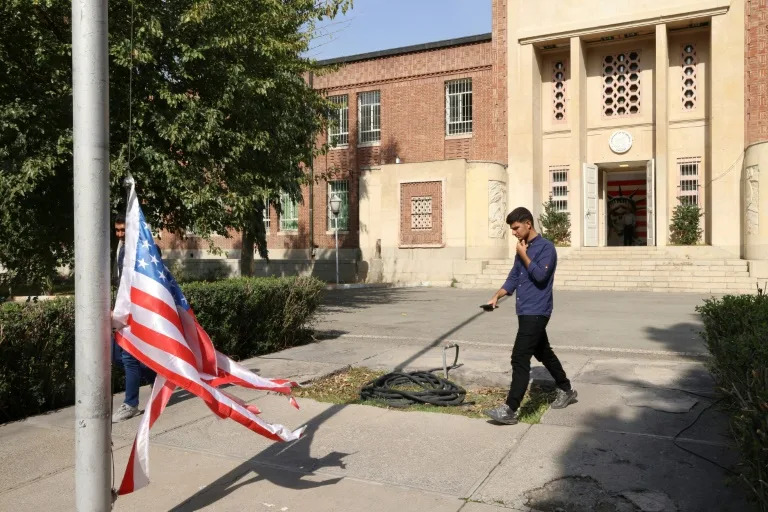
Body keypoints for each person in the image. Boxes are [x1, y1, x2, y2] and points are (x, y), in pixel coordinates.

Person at [483, 207, 577, 425]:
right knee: (543, 352)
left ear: (528, 223)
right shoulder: (522, 248)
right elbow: (514, 277)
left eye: (516, 228)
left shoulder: (547, 248)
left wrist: (524, 254)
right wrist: (496, 296)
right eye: (512, 229)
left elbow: (541, 276)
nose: (514, 232)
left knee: (519, 357)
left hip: (538, 310)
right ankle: (567, 389)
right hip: (524, 309)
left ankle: (510, 409)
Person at [111, 214, 156, 423]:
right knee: (116, 356)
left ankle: (130, 404)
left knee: (128, 356)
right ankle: (157, 380)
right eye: (117, 230)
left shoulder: (139, 250)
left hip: (136, 309)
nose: (120, 234)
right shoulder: (121, 247)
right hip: (122, 307)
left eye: (123, 230)